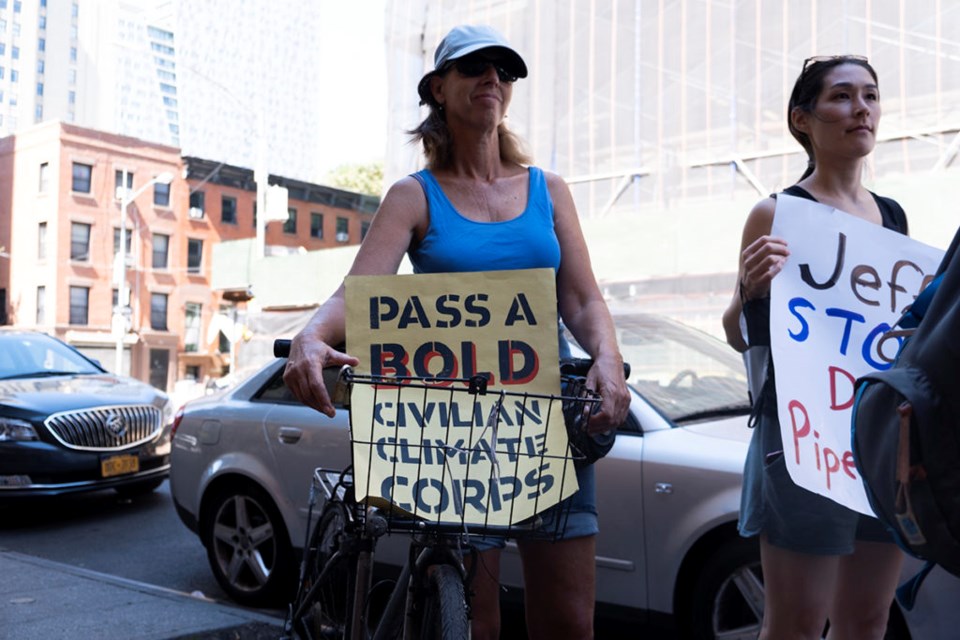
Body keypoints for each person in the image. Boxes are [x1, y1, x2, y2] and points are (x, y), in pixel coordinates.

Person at [282, 24, 630, 640]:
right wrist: (311, 337)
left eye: (503, 69)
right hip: (452, 427)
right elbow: (354, 296)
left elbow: (581, 298)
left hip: (547, 415)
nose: (491, 78)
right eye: (474, 68)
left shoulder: (549, 191)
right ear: (439, 89)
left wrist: (607, 355)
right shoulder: (413, 196)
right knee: (476, 620)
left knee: (571, 622)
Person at [721, 55, 906, 639]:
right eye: (843, 96)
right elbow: (737, 330)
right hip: (804, 439)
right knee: (796, 626)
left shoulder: (894, 217)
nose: (862, 109)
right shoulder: (777, 212)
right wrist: (750, 290)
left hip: (876, 436)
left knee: (868, 621)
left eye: (871, 96)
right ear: (802, 119)